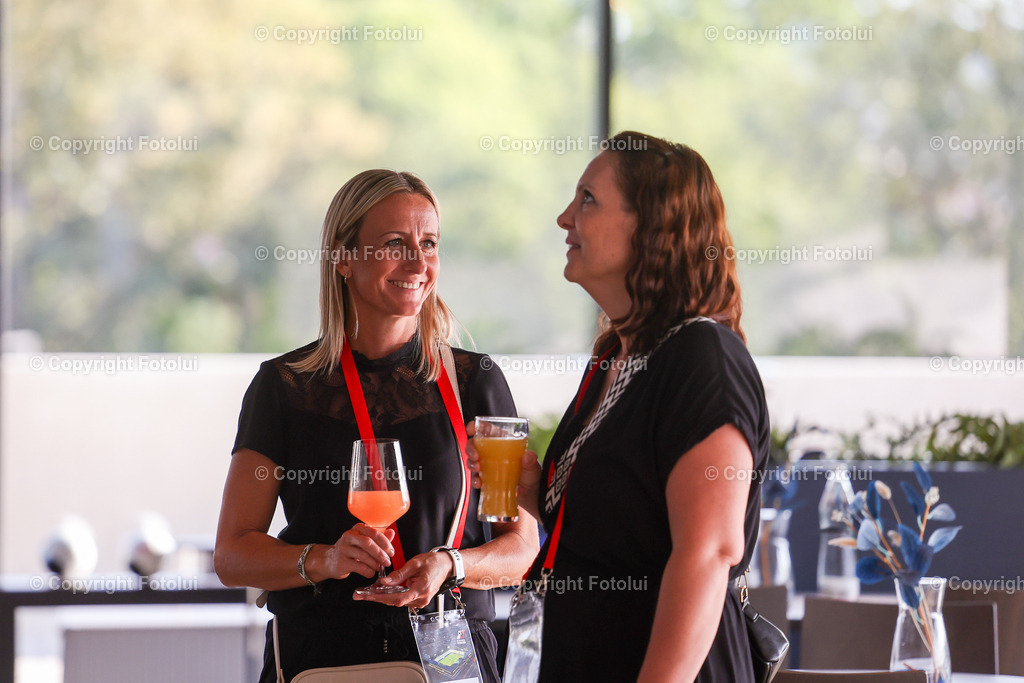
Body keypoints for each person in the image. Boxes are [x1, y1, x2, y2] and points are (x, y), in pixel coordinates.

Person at [214, 169, 539, 683]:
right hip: (320, 662)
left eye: (428, 243)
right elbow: (232, 554)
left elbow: (520, 547)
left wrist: (450, 565)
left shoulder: (478, 382)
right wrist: (322, 560)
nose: (417, 262)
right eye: (394, 243)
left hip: (450, 663)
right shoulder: (282, 387)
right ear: (343, 258)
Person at [468, 131, 770, 681]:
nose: (565, 218)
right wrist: (534, 494)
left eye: (588, 199)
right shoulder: (614, 358)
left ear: (652, 227)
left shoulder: (701, 356)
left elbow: (708, 553)